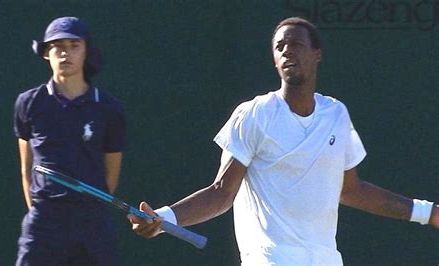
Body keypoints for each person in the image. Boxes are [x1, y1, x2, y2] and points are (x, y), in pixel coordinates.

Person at [128, 17, 438, 265]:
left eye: (296, 44)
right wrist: (164, 219)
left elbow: (351, 189)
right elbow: (221, 193)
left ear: (317, 55)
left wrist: (428, 213)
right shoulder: (253, 115)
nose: (287, 51)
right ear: (275, 61)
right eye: (280, 47)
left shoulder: (336, 115)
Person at [14, 17, 126, 266]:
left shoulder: (109, 109)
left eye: (74, 45)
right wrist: (40, 211)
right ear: (46, 53)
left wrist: (89, 208)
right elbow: (27, 167)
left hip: (93, 224)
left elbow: (111, 175)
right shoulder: (29, 103)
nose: (66, 53)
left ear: (86, 50)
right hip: (44, 223)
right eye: (58, 46)